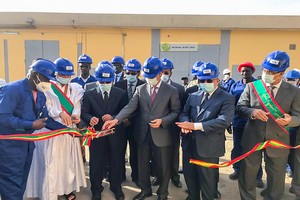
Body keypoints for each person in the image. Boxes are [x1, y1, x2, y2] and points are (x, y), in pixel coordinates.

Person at [102, 56, 181, 200]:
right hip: (143, 133)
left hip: (161, 134)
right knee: (142, 165)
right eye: (147, 76)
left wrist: (163, 121)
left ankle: (163, 193)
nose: (149, 79)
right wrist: (115, 120)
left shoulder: (171, 90)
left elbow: (176, 112)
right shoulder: (140, 89)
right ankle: (146, 190)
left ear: (159, 74)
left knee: (163, 166)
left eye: (152, 76)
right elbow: (130, 107)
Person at [237, 50, 300, 200]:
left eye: (272, 72)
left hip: (279, 140)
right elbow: (240, 107)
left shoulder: (294, 91)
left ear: (282, 72)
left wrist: (290, 120)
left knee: (276, 177)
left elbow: (299, 116)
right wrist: (252, 112)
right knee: (248, 174)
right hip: (253, 137)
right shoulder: (253, 87)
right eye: (265, 70)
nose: (267, 74)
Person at [0, 59, 66, 200]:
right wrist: (31, 125)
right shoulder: (12, 90)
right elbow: (3, 117)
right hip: (9, 147)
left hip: (27, 146)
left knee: (21, 183)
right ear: (35, 75)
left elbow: (46, 119)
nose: (49, 83)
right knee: (11, 184)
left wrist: (69, 131)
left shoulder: (40, 94)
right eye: (47, 79)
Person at [25, 58, 87, 200]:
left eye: (68, 76)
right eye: (63, 75)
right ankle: (49, 192)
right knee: (51, 162)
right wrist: (59, 113)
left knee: (68, 162)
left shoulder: (76, 88)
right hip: (51, 129)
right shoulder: (47, 86)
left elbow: (77, 105)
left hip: (68, 129)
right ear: (56, 74)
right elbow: (46, 107)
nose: (66, 78)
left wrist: (76, 115)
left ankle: (67, 189)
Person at [176, 62, 235, 200]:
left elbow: (224, 120)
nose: (205, 83)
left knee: (208, 181)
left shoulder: (226, 98)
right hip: (189, 144)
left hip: (209, 147)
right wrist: (185, 124)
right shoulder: (194, 95)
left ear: (217, 80)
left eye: (209, 80)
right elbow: (184, 112)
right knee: (190, 176)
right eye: (202, 80)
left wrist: (195, 126)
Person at [81, 63, 127, 200]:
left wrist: (113, 117)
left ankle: (116, 187)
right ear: (97, 80)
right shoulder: (89, 94)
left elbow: (125, 111)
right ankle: (96, 189)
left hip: (116, 135)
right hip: (97, 135)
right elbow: (84, 111)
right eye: (102, 81)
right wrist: (91, 119)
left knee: (116, 162)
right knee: (96, 163)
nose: (105, 83)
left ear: (112, 80)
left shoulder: (121, 94)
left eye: (108, 81)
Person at [228, 61, 264, 188]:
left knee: (255, 149)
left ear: (253, 72)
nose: (244, 73)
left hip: (254, 123)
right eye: (242, 71)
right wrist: (229, 121)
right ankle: (237, 169)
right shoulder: (235, 86)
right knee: (237, 147)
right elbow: (230, 104)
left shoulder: (259, 85)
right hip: (238, 122)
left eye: (247, 71)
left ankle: (258, 176)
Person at [114, 58, 146, 186]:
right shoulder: (118, 85)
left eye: (133, 73)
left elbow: (144, 107)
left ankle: (136, 176)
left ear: (138, 73)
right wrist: (122, 118)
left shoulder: (143, 86)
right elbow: (116, 105)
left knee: (135, 153)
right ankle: (120, 175)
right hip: (120, 124)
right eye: (128, 72)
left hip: (136, 125)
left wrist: (130, 118)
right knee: (119, 151)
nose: (130, 75)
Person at [159, 58, 185, 188]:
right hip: (158, 126)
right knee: (158, 154)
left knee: (174, 153)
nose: (163, 74)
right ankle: (159, 177)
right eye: (161, 72)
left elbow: (182, 109)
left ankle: (175, 176)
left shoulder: (179, 88)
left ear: (171, 72)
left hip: (173, 127)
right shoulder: (154, 87)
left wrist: (180, 125)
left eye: (166, 72)